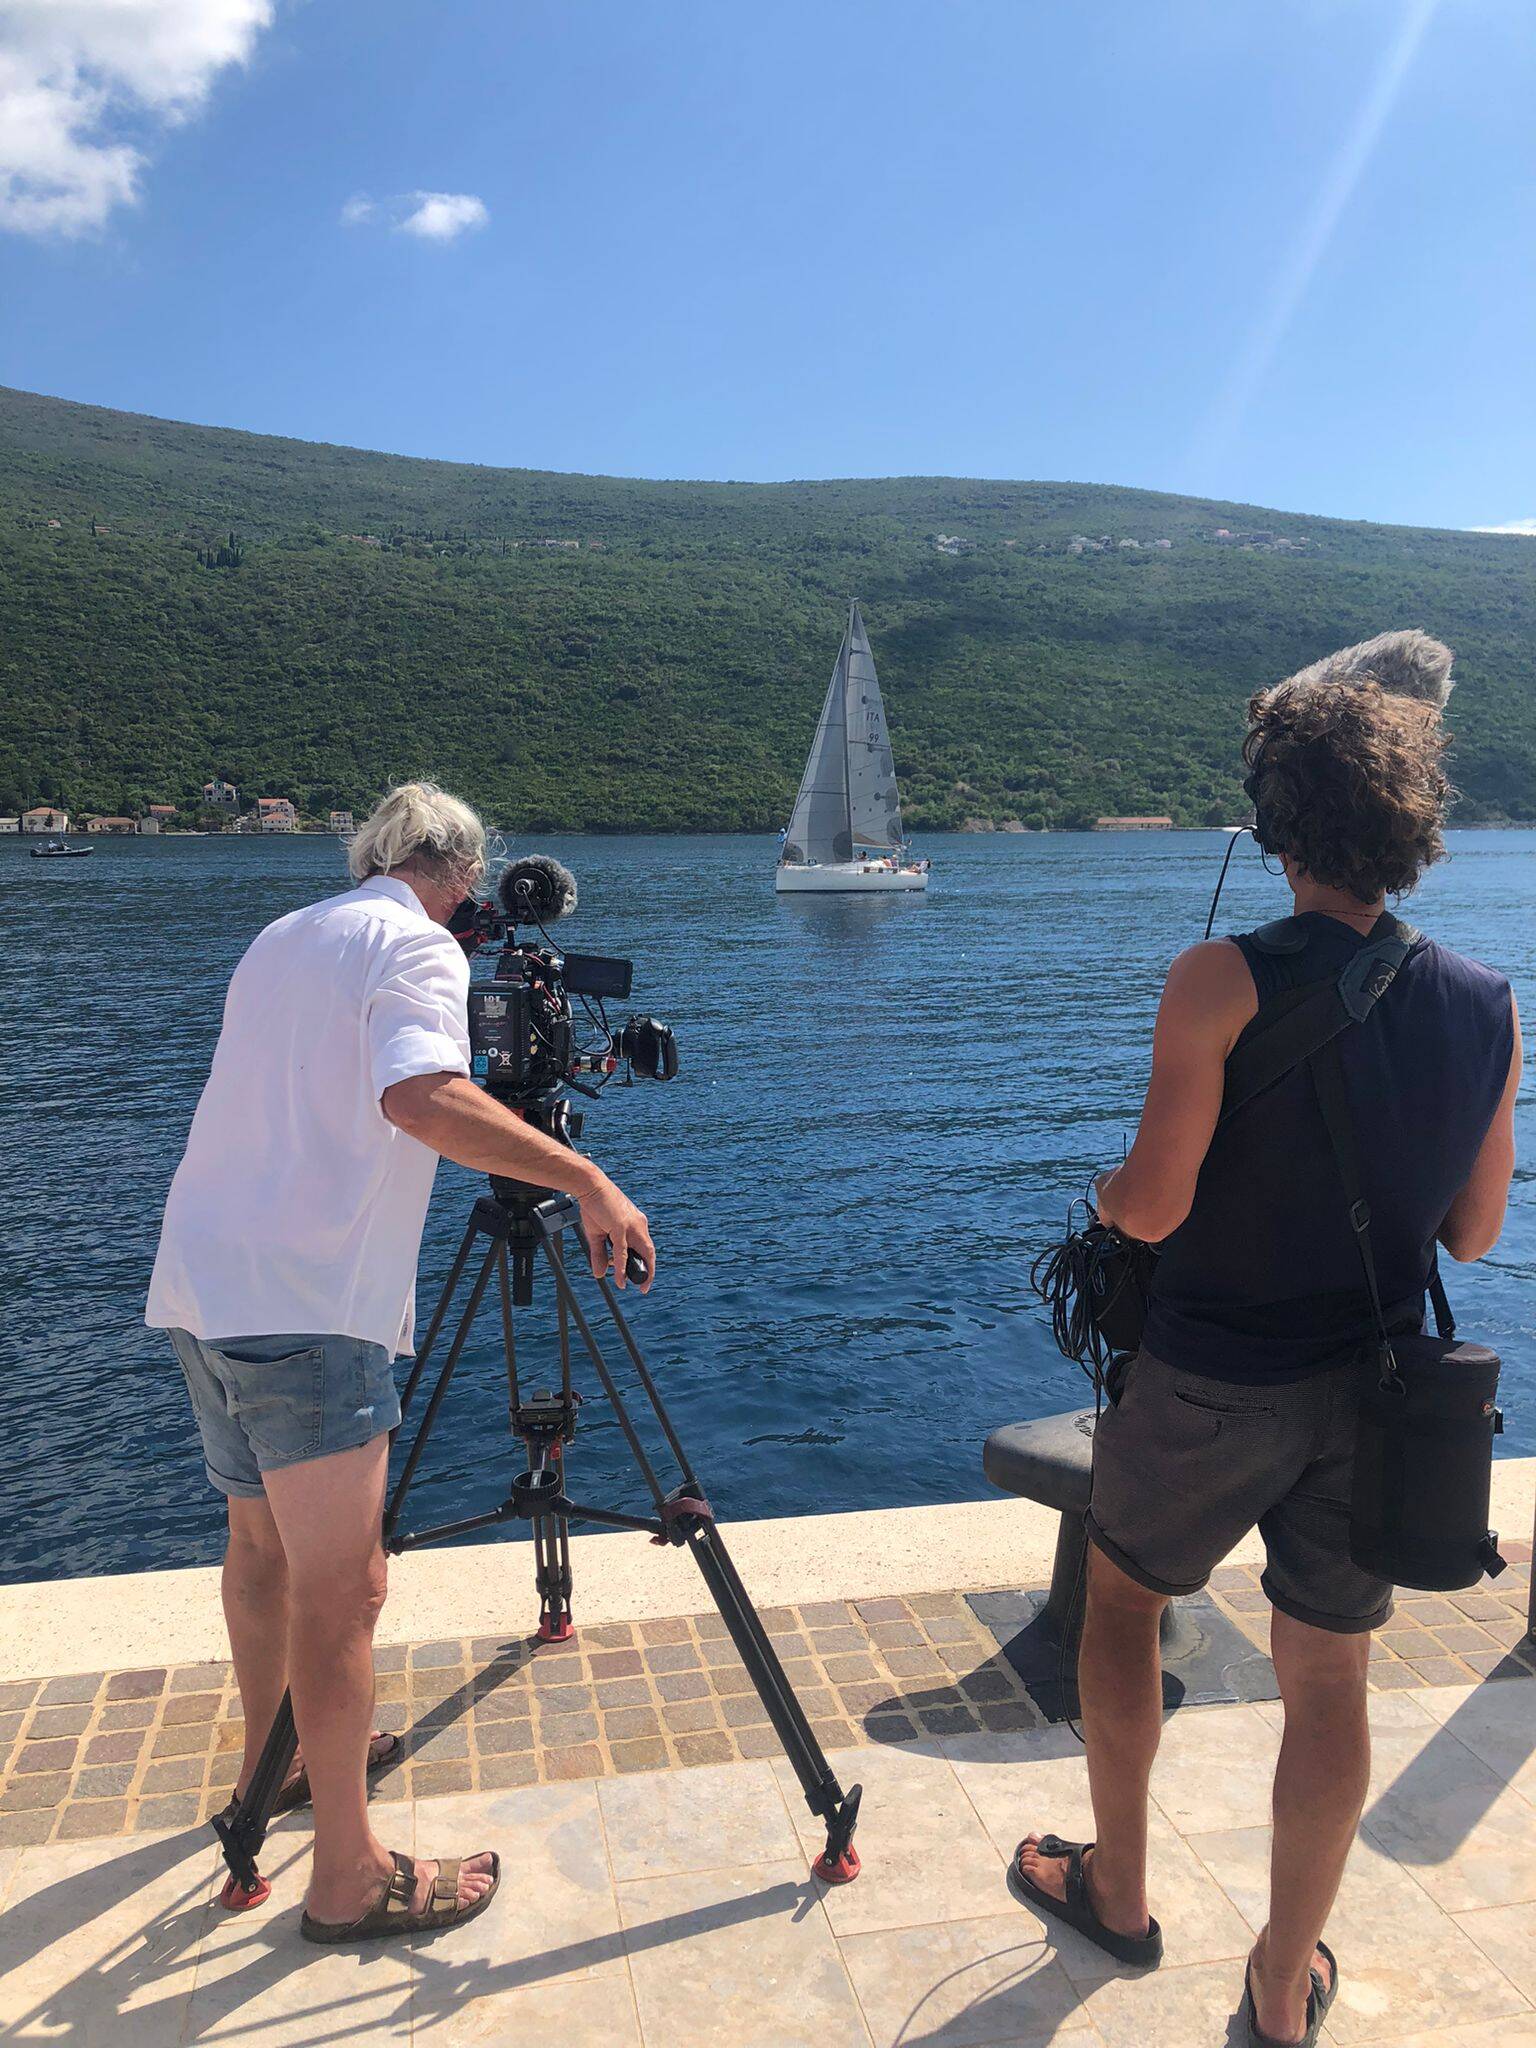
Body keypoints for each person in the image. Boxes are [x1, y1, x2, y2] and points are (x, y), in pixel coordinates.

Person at [1009, 633, 1521, 2047]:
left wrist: (1104, 1194)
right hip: (1376, 1397)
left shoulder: (1217, 978)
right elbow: (1475, 1234)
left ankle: (1119, 1891)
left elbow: (1153, 1207)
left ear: (1276, 827)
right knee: (1330, 1678)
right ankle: (1284, 1983)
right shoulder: (1486, 1001)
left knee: (1124, 1608)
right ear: (1412, 829)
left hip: (1211, 1380)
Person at [147, 782, 655, 1943]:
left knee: (259, 1547)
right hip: (310, 1303)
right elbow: (422, 1096)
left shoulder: (285, 934)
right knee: (347, 1590)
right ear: (464, 874)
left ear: (371, 855)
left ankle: (275, 1762)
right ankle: (347, 1873)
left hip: (202, 1282)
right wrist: (585, 1178)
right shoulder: (419, 946)